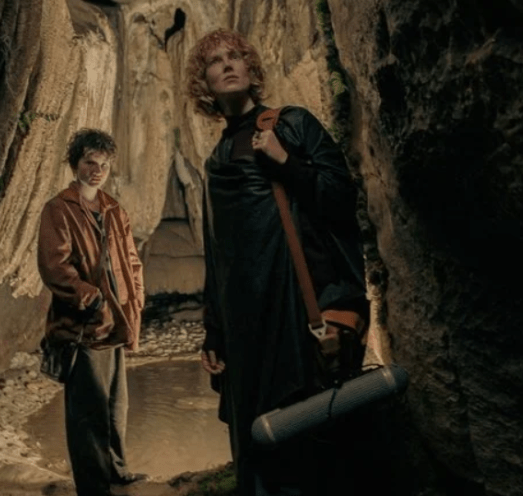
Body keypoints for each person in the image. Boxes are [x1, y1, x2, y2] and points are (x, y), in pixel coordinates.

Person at [186, 29, 370, 495]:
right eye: (215, 61)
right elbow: (219, 254)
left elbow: (341, 199)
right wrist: (214, 330)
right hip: (247, 330)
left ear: (251, 70)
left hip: (299, 316)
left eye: (236, 56)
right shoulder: (217, 161)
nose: (228, 64)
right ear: (205, 84)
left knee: (314, 444)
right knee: (261, 443)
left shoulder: (291, 125)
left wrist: (286, 161)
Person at [37, 129, 147, 496]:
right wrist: (91, 298)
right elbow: (54, 266)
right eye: (89, 162)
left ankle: (116, 472)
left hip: (116, 322)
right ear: (75, 164)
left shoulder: (114, 209)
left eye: (103, 165)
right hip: (83, 327)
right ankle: (93, 487)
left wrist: (135, 302)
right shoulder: (58, 209)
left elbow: (131, 261)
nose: (97, 170)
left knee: (116, 406)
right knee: (88, 412)